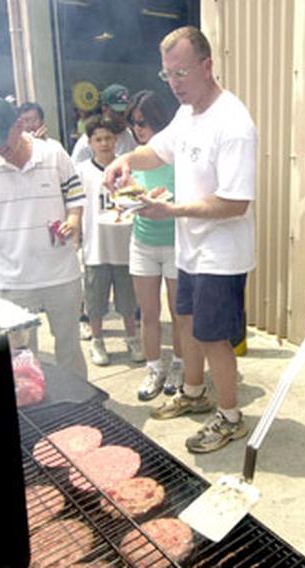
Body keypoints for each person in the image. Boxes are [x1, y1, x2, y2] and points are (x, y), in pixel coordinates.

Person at [104, 26, 258, 454]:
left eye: (182, 73)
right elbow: (158, 151)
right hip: (190, 247)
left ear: (207, 66)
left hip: (220, 254)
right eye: (167, 74)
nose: (174, 84)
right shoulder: (187, 113)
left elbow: (235, 203)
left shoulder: (233, 122)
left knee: (213, 337)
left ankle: (230, 417)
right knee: (186, 323)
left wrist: (173, 211)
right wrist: (124, 158)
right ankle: (194, 393)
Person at [0, 96, 88, 380]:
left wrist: (73, 220)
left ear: (19, 125)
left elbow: (75, 195)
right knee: (23, 357)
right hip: (13, 276)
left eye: (1, 140)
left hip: (60, 272)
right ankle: (38, 413)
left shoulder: (52, 153)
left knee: (69, 347)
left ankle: (80, 408)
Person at [124, 90, 185, 401]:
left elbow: (188, 200)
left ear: (161, 120)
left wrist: (168, 200)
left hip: (175, 242)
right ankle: (153, 368)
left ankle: (178, 364)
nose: (138, 129)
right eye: (134, 123)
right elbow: (130, 195)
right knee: (148, 313)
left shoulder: (176, 156)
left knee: (178, 312)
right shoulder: (135, 158)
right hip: (143, 241)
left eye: (143, 122)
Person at [77, 115, 144, 367]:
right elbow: (75, 207)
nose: (104, 143)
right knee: (95, 300)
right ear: (90, 142)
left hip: (125, 245)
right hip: (96, 246)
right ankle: (97, 339)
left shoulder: (126, 170)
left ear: (116, 140)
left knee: (128, 300)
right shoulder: (82, 172)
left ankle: (132, 338)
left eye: (108, 138)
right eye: (98, 139)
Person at [71, 84, 137, 164]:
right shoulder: (89, 140)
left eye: (127, 112)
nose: (123, 117)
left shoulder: (132, 137)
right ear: (105, 109)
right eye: (119, 113)